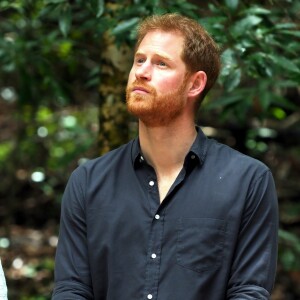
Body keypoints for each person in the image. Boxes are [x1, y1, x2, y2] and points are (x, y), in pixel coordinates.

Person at [52, 13, 278, 300]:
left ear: (195, 84)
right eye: (139, 60)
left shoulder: (248, 181)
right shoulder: (87, 181)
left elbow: (249, 292)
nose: (142, 72)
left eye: (161, 63)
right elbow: (71, 290)